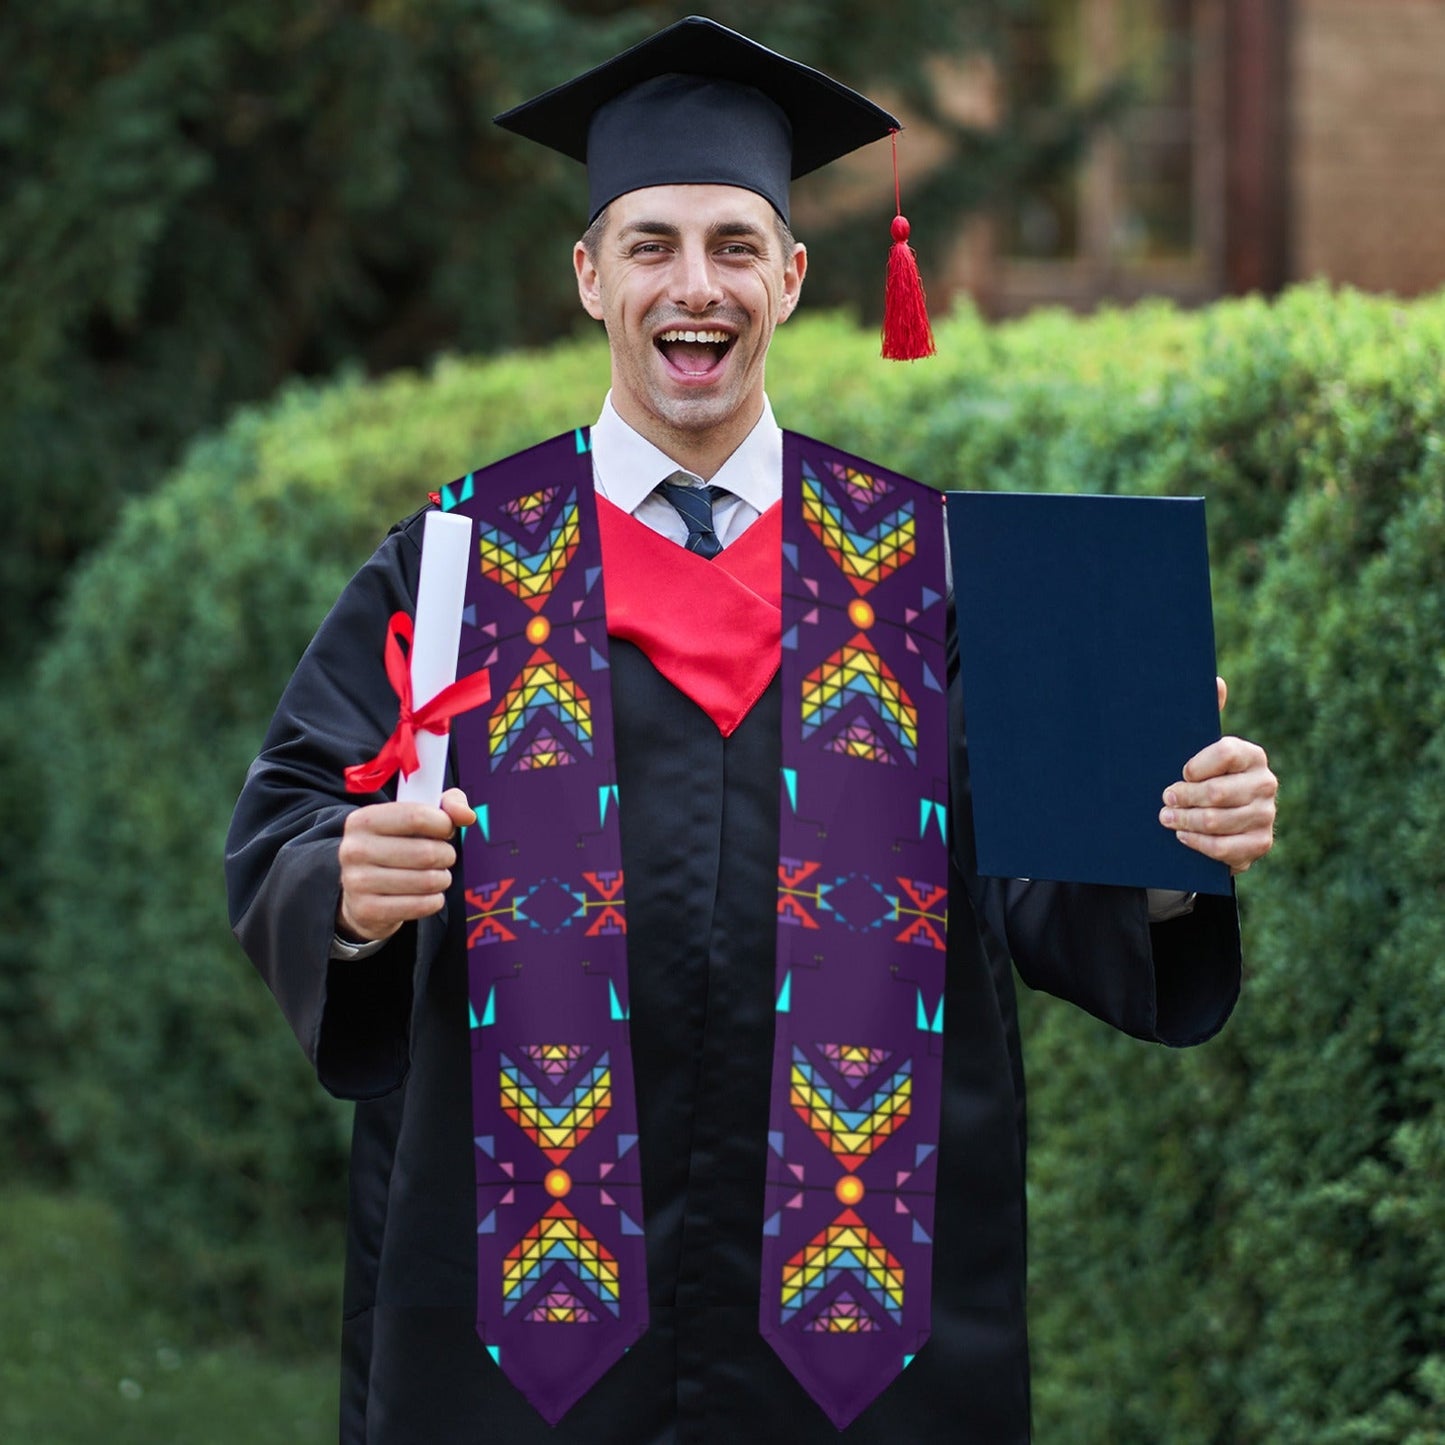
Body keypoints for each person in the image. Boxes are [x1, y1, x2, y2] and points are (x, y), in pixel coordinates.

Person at [225, 17, 1277, 1445]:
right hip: (519, 1326)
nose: (692, 286)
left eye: (732, 244)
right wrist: (342, 888)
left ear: (789, 275)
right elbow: (289, 817)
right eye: (650, 244)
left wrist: (1166, 843)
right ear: (589, 275)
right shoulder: (461, 563)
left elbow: (1041, 884)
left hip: (862, 1323)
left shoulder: (927, 569)